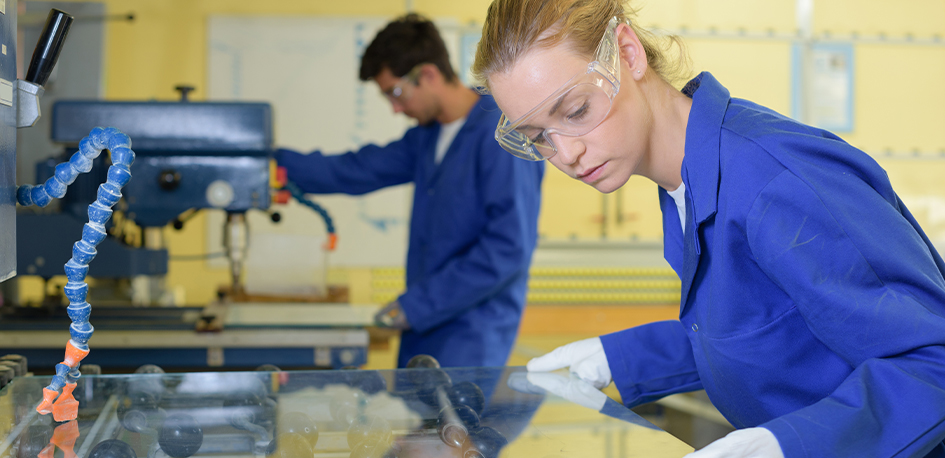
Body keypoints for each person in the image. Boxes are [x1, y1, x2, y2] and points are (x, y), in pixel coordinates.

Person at [473, 0, 945, 456]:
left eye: (575, 111)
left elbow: (933, 363)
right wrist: (619, 356)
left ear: (628, 54)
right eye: (539, 138)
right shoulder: (685, 182)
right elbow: (756, 326)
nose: (567, 154)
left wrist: (790, 445)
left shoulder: (775, 181)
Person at [276, 14, 544, 368]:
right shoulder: (427, 136)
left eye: (396, 93)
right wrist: (264, 161)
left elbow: (507, 249)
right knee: (414, 420)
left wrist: (414, 306)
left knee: (450, 422)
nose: (395, 108)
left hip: (471, 337)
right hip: (422, 327)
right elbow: (354, 171)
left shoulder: (501, 135)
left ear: (429, 74)